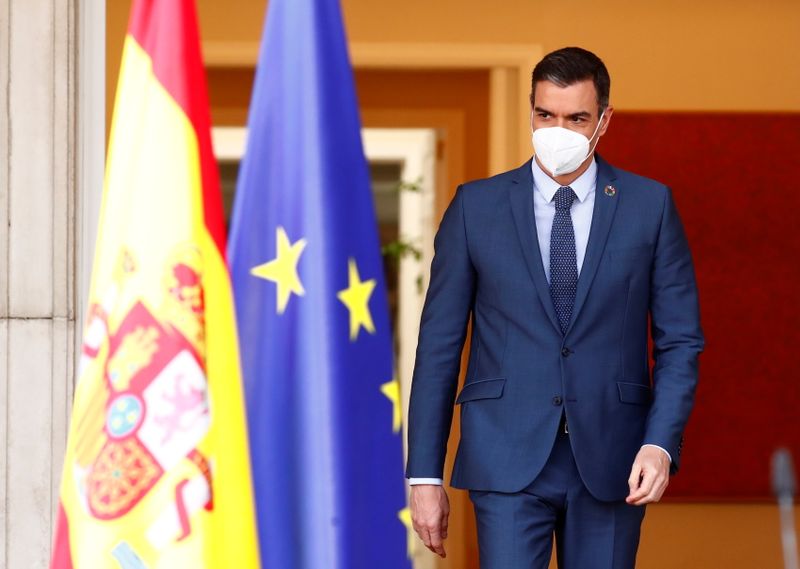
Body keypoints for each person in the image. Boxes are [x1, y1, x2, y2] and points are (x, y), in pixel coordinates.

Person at [405, 46, 704, 569]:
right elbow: (438, 347)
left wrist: (660, 444)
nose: (557, 129)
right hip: (504, 456)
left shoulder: (649, 206)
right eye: (545, 115)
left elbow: (680, 341)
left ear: (604, 121)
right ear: (532, 112)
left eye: (576, 118)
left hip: (614, 458)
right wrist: (424, 475)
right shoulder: (475, 208)